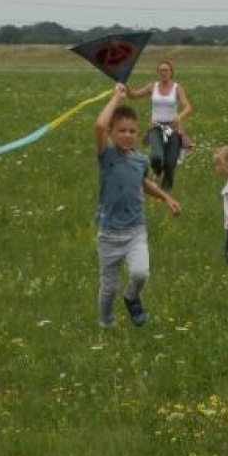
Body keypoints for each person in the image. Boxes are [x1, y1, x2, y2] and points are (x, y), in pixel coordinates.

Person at [95, 84, 182, 327]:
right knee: (108, 286)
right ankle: (106, 324)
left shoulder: (140, 160)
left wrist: (166, 197)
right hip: (109, 234)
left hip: (135, 230)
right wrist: (115, 98)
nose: (127, 135)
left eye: (132, 131)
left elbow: (142, 183)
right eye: (121, 130)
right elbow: (100, 125)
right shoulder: (107, 157)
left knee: (140, 273)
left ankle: (132, 296)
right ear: (112, 133)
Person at [127, 59, 193, 191]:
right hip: (155, 128)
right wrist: (125, 84)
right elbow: (133, 95)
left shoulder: (177, 88)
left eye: (166, 70)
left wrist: (179, 117)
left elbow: (188, 107)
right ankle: (157, 173)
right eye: (161, 70)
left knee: (170, 164)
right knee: (157, 157)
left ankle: (166, 192)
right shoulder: (153, 86)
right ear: (158, 72)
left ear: (171, 72)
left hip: (172, 129)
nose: (163, 73)